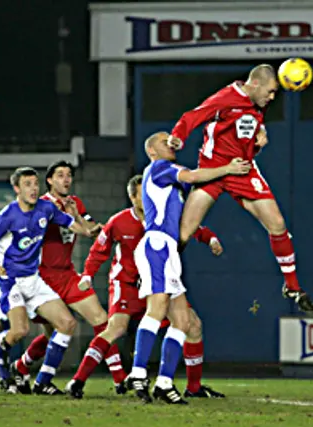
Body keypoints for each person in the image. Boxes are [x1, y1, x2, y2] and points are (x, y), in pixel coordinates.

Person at [166, 64, 313, 313]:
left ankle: (292, 287)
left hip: (243, 170)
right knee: (184, 232)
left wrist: (261, 132)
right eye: (270, 92)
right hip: (214, 171)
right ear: (254, 84)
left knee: (277, 225)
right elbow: (192, 116)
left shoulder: (259, 101)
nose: (271, 97)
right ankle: (156, 274)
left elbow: (249, 122)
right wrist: (178, 135)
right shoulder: (225, 99)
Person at [66, 175, 224, 399]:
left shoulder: (163, 216)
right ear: (132, 197)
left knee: (193, 325)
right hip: (127, 284)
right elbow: (98, 251)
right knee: (116, 327)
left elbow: (192, 227)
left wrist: (210, 239)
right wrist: (88, 275)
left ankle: (193, 386)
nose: (151, 197)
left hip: (159, 282)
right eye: (144, 194)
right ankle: (78, 380)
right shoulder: (119, 221)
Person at [125, 132, 250, 404]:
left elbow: (185, 221)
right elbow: (193, 176)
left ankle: (164, 383)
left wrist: (208, 236)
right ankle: (137, 372)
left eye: (170, 137)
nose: (169, 140)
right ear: (152, 152)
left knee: (184, 322)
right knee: (156, 311)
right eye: (163, 139)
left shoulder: (171, 184)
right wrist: (228, 168)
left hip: (168, 250)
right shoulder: (159, 168)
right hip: (157, 246)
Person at [11, 160, 127, 394]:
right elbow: (82, 229)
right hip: (42, 277)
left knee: (100, 318)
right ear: (50, 181)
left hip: (67, 274)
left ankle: (119, 378)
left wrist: (100, 227)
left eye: (69, 175)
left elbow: (91, 230)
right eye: (60, 175)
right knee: (53, 333)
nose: (66, 179)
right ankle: (24, 366)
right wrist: (84, 223)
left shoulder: (75, 203)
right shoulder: (42, 205)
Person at [0, 167, 99, 395]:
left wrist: (86, 230)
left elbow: (71, 225)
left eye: (35, 184)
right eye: (27, 184)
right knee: (18, 331)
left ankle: (43, 381)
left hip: (34, 280)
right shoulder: (7, 216)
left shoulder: (46, 208)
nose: (34, 188)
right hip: (12, 281)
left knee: (67, 324)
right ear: (17, 189)